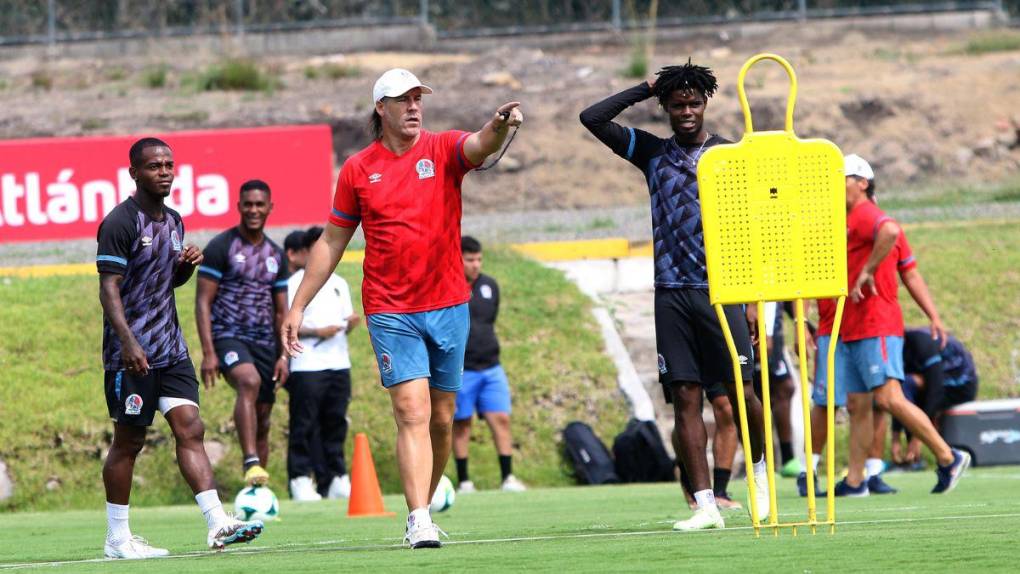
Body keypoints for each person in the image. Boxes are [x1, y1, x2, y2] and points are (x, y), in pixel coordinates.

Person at [282, 68, 523, 549]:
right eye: (402, 99)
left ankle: (424, 507)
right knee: (411, 412)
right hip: (391, 310)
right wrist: (298, 305)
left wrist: (499, 124)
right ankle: (418, 518)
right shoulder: (357, 169)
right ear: (381, 108)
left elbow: (479, 145)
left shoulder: (443, 148)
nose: (414, 106)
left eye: (418, 98)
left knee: (442, 417)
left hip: (450, 304)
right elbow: (332, 241)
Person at [580, 60, 770, 531]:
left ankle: (761, 474)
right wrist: (646, 87)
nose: (686, 111)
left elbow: (752, 229)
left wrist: (751, 301)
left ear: (706, 104)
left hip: (722, 292)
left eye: (694, 102)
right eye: (677, 102)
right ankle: (705, 504)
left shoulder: (729, 156)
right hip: (671, 293)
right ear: (665, 106)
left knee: (741, 394)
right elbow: (593, 118)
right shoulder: (650, 153)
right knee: (685, 398)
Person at [97, 138, 263, 559]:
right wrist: (129, 343)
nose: (165, 172)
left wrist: (184, 269)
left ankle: (218, 522)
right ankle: (117, 539)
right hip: (131, 356)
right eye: (154, 166)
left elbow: (163, 283)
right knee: (129, 442)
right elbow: (109, 289)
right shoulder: (120, 222)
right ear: (134, 172)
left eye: (169, 164)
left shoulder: (173, 221)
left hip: (170, 349)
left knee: (191, 427)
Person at [811, 154, 969, 497]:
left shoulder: (868, 213)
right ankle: (855, 481)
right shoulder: (846, 218)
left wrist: (867, 271)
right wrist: (934, 315)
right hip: (852, 326)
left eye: (842, 178)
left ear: (862, 183)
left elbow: (891, 230)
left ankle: (947, 456)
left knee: (888, 397)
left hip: (875, 323)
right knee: (858, 403)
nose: (835, 186)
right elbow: (909, 271)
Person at [195, 179, 290, 486]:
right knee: (248, 381)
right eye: (247, 204)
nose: (253, 210)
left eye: (259, 204)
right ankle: (250, 460)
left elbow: (281, 312)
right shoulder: (221, 247)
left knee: (263, 419)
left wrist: (284, 355)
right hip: (228, 336)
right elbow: (202, 303)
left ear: (270, 208)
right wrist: (209, 352)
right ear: (238, 207)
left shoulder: (276, 255)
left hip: (264, 342)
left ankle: (256, 487)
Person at [284, 226, 360, 501]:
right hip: (308, 363)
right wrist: (318, 332)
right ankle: (300, 478)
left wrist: (350, 324)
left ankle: (336, 476)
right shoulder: (295, 284)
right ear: (307, 252)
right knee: (304, 424)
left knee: (336, 421)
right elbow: (287, 324)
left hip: (339, 362)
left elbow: (343, 323)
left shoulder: (340, 283)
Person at [452, 236, 527, 494]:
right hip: (462, 369)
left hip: (492, 367)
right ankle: (464, 481)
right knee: (461, 423)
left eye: (479, 259)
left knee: (501, 419)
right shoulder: (448, 285)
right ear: (457, 258)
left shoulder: (489, 286)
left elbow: (490, 319)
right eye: (470, 259)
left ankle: (507, 477)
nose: (475, 264)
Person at [893, 329, 978, 466]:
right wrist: (895, 438)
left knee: (910, 385)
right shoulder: (896, 352)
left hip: (961, 386)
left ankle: (922, 456)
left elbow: (935, 391)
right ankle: (912, 456)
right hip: (935, 384)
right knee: (905, 386)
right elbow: (896, 396)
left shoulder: (922, 343)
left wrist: (917, 437)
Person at [672, 382, 742, 511]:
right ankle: (690, 486)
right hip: (682, 362)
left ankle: (720, 493)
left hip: (717, 361)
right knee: (686, 410)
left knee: (727, 408)